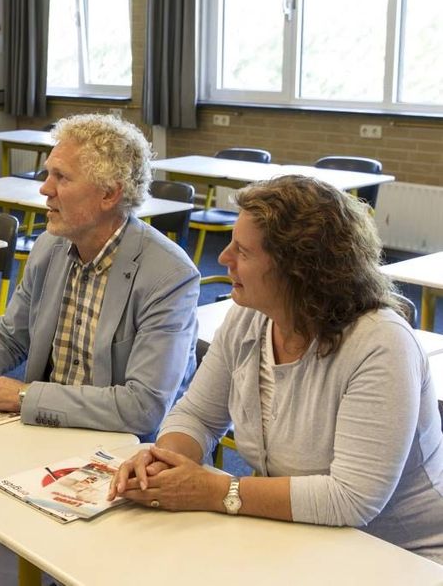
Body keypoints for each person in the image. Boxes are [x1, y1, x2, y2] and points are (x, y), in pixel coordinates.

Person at [0, 113, 200, 585]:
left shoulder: (167, 274)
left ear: (109, 194)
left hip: (113, 443)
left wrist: (27, 398)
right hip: (42, 425)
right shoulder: (52, 247)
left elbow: (143, 407)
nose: (44, 189)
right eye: (48, 174)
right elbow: (11, 335)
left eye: (61, 177)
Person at [110, 175, 443, 565]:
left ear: (298, 270)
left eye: (243, 252)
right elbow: (198, 415)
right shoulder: (248, 318)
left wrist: (215, 490)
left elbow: (352, 499)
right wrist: (161, 463)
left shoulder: (380, 344)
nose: (223, 258)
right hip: (297, 537)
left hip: (398, 557)